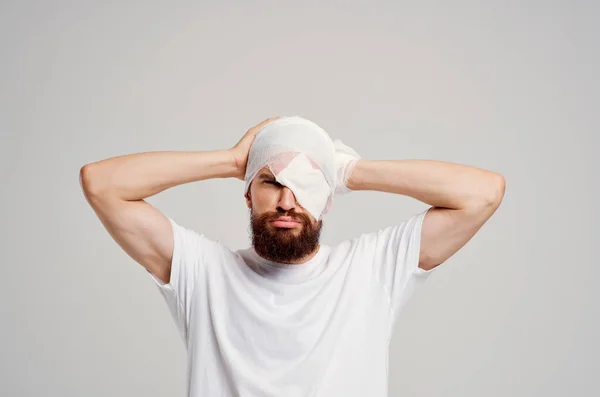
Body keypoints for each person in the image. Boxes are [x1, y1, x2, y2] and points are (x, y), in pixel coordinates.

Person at [79, 116, 505, 397]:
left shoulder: (372, 269)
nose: (287, 201)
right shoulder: (203, 273)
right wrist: (230, 160)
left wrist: (349, 171)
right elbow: (101, 184)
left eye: (306, 185)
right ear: (248, 194)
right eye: (270, 181)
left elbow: (483, 193)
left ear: (328, 200)